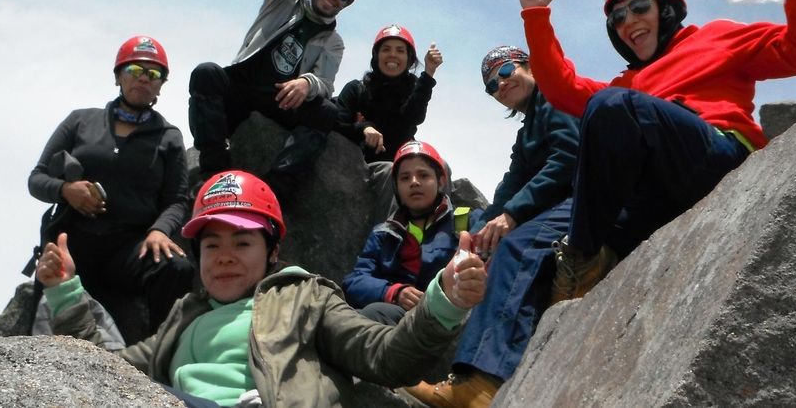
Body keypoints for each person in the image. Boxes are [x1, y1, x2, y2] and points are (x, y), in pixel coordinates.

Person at [517, 0, 796, 303]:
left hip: (718, 158)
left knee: (613, 106)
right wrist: (536, 16)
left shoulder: (716, 37)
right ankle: (582, 268)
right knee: (541, 241)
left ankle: (581, 258)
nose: (628, 21)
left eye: (639, 7)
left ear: (666, 9)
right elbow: (561, 89)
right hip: (661, 190)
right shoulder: (628, 85)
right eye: (618, 18)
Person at [36, 170, 486, 408]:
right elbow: (102, 375)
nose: (224, 256)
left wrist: (443, 301)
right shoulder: (183, 317)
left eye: (242, 242)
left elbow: (384, 356)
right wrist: (65, 292)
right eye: (211, 245)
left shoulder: (305, 298)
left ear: (273, 252)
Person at [404, 46, 580, 408]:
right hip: (567, 203)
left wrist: (512, 216)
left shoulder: (557, 99)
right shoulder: (528, 131)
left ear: (531, 66)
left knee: (517, 247)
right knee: (495, 245)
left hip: (589, 198)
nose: (500, 84)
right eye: (491, 85)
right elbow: (511, 185)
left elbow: (568, 158)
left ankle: (482, 383)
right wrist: (478, 234)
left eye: (506, 71)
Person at [188, 0, 364, 203]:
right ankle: (213, 171)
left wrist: (307, 83)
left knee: (326, 112)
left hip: (281, 101)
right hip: (243, 86)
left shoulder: (333, 42)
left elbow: (326, 83)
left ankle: (274, 192)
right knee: (206, 74)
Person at [28, 35, 193, 342]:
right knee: (52, 271)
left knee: (177, 269)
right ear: (118, 76)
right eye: (134, 70)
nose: (144, 78)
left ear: (161, 85)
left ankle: (161, 353)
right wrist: (66, 190)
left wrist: (159, 231)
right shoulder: (80, 121)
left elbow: (176, 199)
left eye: (154, 73)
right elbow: (36, 179)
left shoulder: (168, 136)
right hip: (74, 240)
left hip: (128, 249)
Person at [342, 141, 459, 326]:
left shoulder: (466, 222)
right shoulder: (383, 233)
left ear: (441, 181)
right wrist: (393, 292)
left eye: (423, 175)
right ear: (396, 187)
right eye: (405, 178)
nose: (414, 182)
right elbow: (355, 281)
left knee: (370, 315)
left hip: (449, 319)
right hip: (399, 317)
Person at [334, 24, 443, 163]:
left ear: (409, 58)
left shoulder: (415, 89)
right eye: (386, 49)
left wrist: (428, 73)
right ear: (376, 56)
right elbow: (335, 123)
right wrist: (363, 128)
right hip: (355, 165)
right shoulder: (356, 89)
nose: (393, 55)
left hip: (399, 167)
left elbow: (415, 116)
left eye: (400, 50)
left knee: (441, 166)